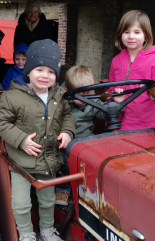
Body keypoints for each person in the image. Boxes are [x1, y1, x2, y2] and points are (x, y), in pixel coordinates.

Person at [0, 39, 75, 241]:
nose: (45, 76)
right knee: (21, 203)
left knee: (47, 200)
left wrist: (67, 132)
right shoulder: (12, 96)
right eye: (39, 69)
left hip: (48, 159)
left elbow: (67, 117)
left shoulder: (59, 96)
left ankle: (47, 230)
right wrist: (21, 140)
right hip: (21, 161)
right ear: (28, 71)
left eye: (51, 72)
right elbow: (1, 122)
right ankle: (27, 234)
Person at [54, 65, 123, 206]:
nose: (86, 99)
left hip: (87, 142)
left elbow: (104, 114)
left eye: (89, 93)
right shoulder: (61, 104)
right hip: (67, 144)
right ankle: (63, 190)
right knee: (64, 164)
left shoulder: (91, 102)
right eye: (81, 95)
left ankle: (95, 189)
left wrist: (114, 103)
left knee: (99, 160)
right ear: (68, 91)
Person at [109, 10, 155, 130]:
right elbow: (111, 87)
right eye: (126, 32)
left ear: (146, 35)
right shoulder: (116, 61)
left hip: (147, 126)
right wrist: (114, 96)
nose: (131, 36)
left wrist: (153, 88)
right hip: (117, 124)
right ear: (120, 35)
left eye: (137, 32)